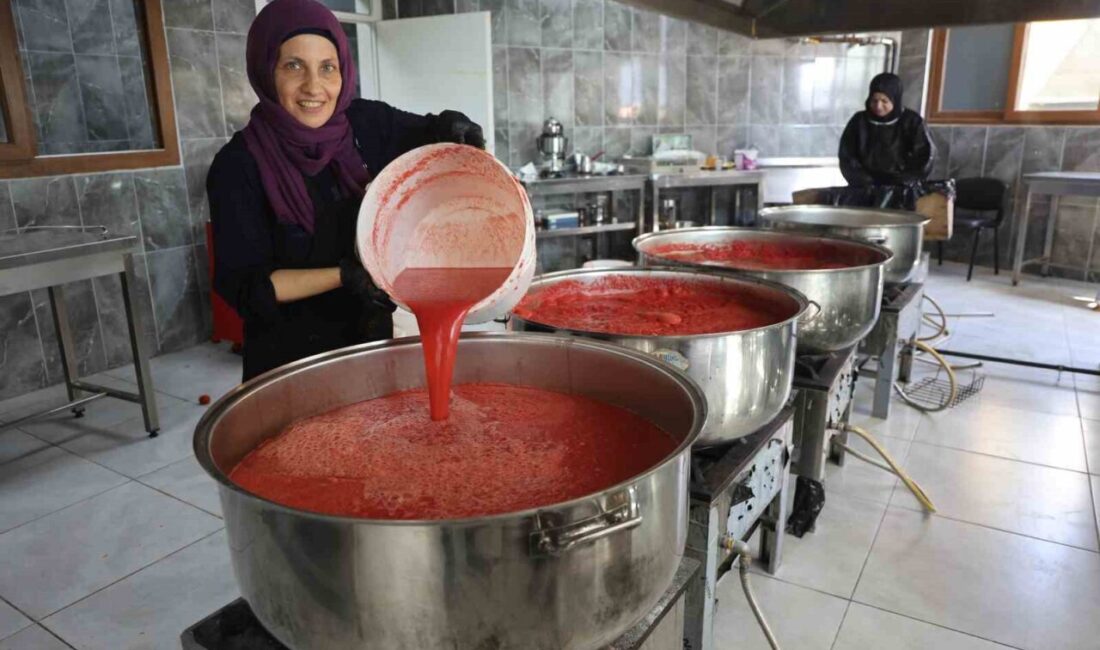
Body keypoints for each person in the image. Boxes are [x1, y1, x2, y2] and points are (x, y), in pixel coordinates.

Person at [208, 0, 484, 381]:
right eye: (293, 66)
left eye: (327, 68)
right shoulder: (237, 166)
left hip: (371, 345)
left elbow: (432, 134)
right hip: (291, 362)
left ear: (344, 71)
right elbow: (245, 288)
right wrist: (345, 275)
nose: (314, 87)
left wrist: (456, 129)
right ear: (265, 69)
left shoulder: (366, 123)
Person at [838, 72, 934, 187]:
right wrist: (863, 181)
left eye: (884, 101)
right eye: (874, 100)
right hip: (864, 187)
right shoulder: (859, 121)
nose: (878, 106)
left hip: (900, 189)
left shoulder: (912, 122)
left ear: (895, 100)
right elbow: (847, 156)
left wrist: (903, 181)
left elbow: (924, 157)